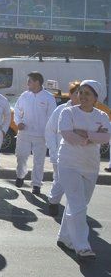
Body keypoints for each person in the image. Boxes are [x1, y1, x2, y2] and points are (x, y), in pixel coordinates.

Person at [56, 80, 110, 261]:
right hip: (68, 163)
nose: (83, 96)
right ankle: (82, 246)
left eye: (88, 93)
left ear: (96, 98)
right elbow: (67, 134)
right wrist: (92, 136)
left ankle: (64, 237)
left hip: (90, 165)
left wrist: (85, 134)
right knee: (78, 204)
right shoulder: (68, 112)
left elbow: (106, 137)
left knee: (78, 204)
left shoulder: (102, 115)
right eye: (81, 92)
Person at [13, 71, 57, 194]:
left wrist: (49, 134)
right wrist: (19, 122)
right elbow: (17, 110)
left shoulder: (48, 97)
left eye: (30, 81)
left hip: (41, 136)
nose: (27, 84)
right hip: (24, 133)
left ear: (37, 82)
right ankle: (20, 175)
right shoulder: (24, 96)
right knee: (21, 156)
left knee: (39, 161)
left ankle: (36, 184)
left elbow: (52, 117)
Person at [44, 80, 81, 215]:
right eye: (77, 93)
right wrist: (53, 150)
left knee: (76, 182)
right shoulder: (60, 110)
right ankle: (53, 202)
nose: (80, 96)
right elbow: (50, 131)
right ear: (70, 94)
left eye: (82, 93)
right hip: (60, 152)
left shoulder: (86, 112)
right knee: (60, 180)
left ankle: (74, 209)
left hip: (79, 154)